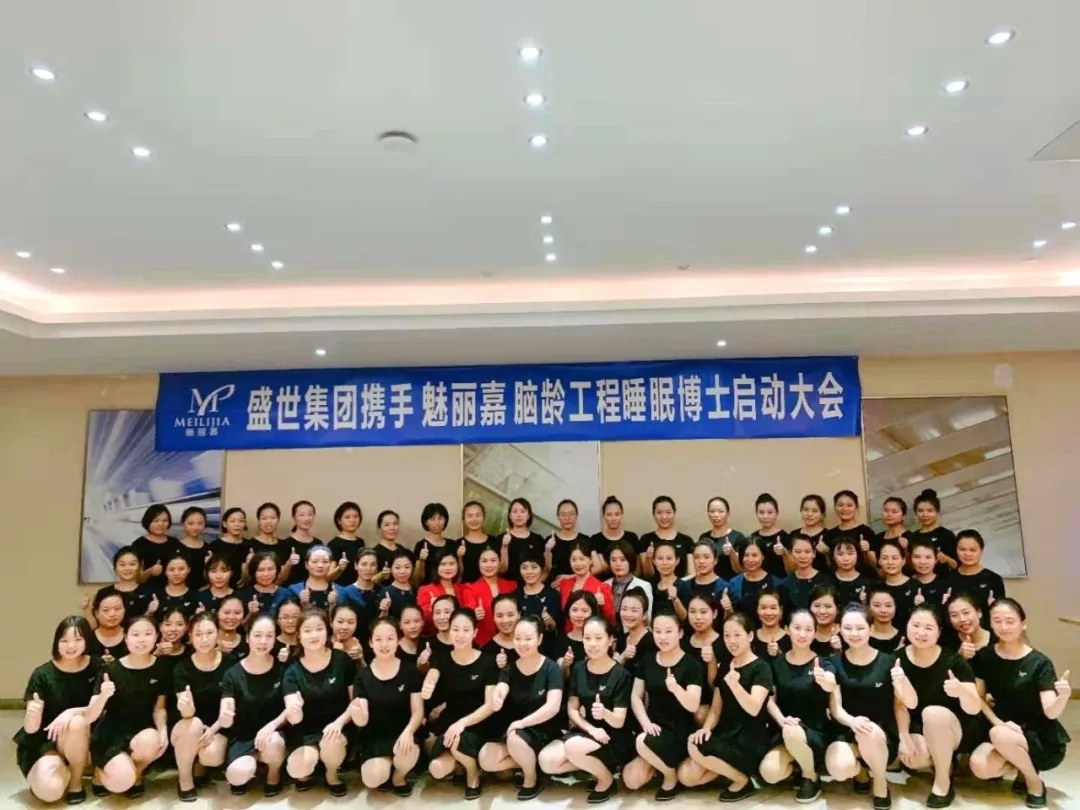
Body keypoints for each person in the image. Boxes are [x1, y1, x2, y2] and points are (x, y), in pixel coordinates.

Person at [969, 598, 1071, 808]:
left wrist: (1062, 697)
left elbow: (1050, 712)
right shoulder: (985, 657)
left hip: (1037, 735)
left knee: (1000, 735)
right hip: (1001, 727)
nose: (1004, 627)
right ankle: (1023, 770)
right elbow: (979, 698)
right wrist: (998, 722)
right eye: (997, 621)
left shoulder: (1039, 662)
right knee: (979, 765)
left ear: (1023, 624)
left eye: (1010, 621)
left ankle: (1034, 782)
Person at [537, 615, 634, 803]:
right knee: (547, 761)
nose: (592, 643)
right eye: (587, 638)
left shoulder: (621, 675)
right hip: (587, 732)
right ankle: (595, 768)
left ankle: (606, 780)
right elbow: (572, 709)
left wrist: (604, 713)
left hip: (613, 736)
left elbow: (619, 720)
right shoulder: (578, 668)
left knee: (573, 747)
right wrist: (591, 729)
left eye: (598, 638)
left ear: (610, 640)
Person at [894, 604, 983, 808]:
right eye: (915, 625)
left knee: (933, 713)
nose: (921, 633)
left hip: (955, 727)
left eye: (928, 628)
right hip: (919, 727)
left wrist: (961, 691)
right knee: (913, 759)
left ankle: (942, 781)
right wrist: (904, 737)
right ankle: (944, 761)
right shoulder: (897, 660)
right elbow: (899, 705)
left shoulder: (954, 661)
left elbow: (974, 708)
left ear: (939, 631)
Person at [680, 613, 773, 802]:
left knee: (696, 747)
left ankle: (742, 781)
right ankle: (729, 773)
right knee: (686, 776)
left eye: (737, 635)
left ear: (750, 636)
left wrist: (735, 686)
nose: (732, 641)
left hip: (749, 739)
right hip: (726, 734)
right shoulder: (725, 667)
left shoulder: (761, 667)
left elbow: (754, 708)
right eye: (727, 635)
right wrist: (706, 729)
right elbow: (715, 709)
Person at [819, 603, 900, 810]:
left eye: (860, 628)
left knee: (868, 730)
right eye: (848, 628)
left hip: (880, 733)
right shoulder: (833, 662)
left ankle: (880, 781)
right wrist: (851, 721)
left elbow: (900, 704)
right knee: (839, 768)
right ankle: (862, 772)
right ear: (839, 629)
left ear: (871, 629)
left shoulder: (888, 661)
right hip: (847, 729)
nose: (854, 634)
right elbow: (835, 708)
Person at [622, 611, 705, 801]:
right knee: (631, 780)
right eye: (658, 631)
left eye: (668, 631)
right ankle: (662, 767)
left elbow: (693, 705)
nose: (663, 637)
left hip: (680, 730)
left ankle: (670, 777)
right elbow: (636, 696)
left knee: (642, 742)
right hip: (655, 728)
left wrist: (676, 688)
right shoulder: (648, 660)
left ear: (680, 633)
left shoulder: (692, 664)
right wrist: (645, 723)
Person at [479, 616, 565, 800]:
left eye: (528, 639)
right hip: (517, 734)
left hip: (543, 731)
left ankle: (531, 778)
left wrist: (522, 723)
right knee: (486, 759)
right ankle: (531, 764)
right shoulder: (509, 669)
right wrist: (497, 698)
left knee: (515, 739)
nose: (522, 643)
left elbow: (553, 707)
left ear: (539, 639)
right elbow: (501, 688)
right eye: (517, 638)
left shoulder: (550, 668)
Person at [15, 616, 99, 805]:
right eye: (64, 640)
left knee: (77, 722)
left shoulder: (97, 667)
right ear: (56, 642)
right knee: (50, 792)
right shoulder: (42, 674)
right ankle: (59, 768)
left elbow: (101, 707)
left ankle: (76, 782)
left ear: (87, 640)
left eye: (77, 639)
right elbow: (31, 729)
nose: (71, 646)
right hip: (46, 739)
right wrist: (33, 715)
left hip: (82, 736)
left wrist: (70, 712)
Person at [86, 615, 169, 797]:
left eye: (148, 634)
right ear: (126, 637)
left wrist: (163, 730)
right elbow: (91, 716)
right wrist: (103, 696)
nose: (141, 640)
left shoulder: (161, 668)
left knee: (153, 739)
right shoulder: (111, 670)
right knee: (120, 783)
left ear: (156, 637)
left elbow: (159, 708)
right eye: (135, 634)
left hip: (142, 730)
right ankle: (99, 773)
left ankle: (136, 774)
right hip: (111, 733)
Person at [422, 608, 499, 799]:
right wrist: (428, 684)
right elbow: (432, 675)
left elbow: (490, 705)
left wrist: (462, 724)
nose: (460, 635)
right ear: (449, 632)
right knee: (437, 769)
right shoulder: (441, 659)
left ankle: (473, 774)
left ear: (474, 632)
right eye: (455, 629)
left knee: (457, 741)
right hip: (450, 721)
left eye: (466, 630)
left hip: (478, 723)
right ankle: (462, 763)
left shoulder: (487, 662)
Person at [758, 609, 831, 804]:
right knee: (770, 773)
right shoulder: (776, 664)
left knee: (792, 732)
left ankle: (810, 776)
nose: (802, 634)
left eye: (808, 629)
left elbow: (831, 684)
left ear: (815, 633)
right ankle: (800, 765)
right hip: (785, 729)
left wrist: (825, 680)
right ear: (786, 630)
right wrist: (782, 720)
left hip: (815, 732)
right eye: (797, 628)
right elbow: (770, 700)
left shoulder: (823, 663)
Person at [282, 607, 354, 796]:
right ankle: (312, 765)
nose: (314, 635)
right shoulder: (292, 669)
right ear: (299, 635)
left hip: (337, 728)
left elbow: (354, 701)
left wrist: (339, 723)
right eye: (307, 630)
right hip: (306, 731)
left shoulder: (342, 660)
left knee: (332, 742)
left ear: (327, 631)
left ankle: (332, 774)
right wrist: (295, 710)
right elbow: (293, 713)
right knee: (298, 770)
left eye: (319, 629)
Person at [351, 617, 424, 795]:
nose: (384, 644)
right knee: (373, 779)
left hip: (404, 733)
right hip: (375, 736)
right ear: (370, 642)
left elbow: (418, 711)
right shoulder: (363, 676)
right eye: (378, 639)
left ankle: (399, 777)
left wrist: (408, 732)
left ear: (398, 640)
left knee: (406, 753)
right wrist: (358, 714)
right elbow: (362, 717)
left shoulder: (410, 671)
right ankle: (387, 765)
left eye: (390, 638)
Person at [219, 613, 287, 797]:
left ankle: (273, 774)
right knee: (237, 776)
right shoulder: (232, 673)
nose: (263, 641)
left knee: (274, 742)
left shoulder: (283, 669)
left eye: (269, 636)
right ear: (248, 638)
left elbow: (288, 709)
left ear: (275, 638)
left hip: (273, 733)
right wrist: (225, 717)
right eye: (257, 635)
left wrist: (271, 727)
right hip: (243, 736)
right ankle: (254, 760)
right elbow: (226, 707)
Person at [170, 612, 236, 801]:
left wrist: (213, 729)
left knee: (212, 755)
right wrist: (186, 706)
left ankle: (200, 766)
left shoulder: (231, 664)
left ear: (218, 634)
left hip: (220, 726)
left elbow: (232, 707)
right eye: (198, 634)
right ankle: (185, 780)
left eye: (209, 633)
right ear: (190, 637)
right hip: (188, 726)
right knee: (193, 723)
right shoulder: (182, 668)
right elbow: (187, 713)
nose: (204, 639)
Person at [82, 547, 152, 627]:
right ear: (115, 568)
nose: (127, 568)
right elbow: (94, 627)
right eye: (122, 565)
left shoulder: (149, 592)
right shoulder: (104, 593)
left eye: (132, 564)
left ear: (140, 567)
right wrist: (86, 609)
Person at [464, 547, 517, 647]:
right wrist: (473, 615)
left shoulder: (511, 586)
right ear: (478, 564)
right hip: (483, 644)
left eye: (493, 560)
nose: (489, 565)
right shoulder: (470, 589)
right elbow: (467, 617)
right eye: (484, 561)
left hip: (511, 642)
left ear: (499, 562)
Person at [948, 529, 1005, 618]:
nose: (967, 554)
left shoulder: (994, 579)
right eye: (962, 549)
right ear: (956, 550)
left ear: (981, 551)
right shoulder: (947, 577)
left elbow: (1000, 613)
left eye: (973, 550)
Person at [557, 542, 615, 628]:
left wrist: (603, 605)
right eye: (573, 559)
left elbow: (611, 620)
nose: (578, 564)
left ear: (590, 560)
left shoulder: (601, 587)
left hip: (591, 633)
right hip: (568, 633)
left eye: (582, 559)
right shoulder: (564, 584)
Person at [683, 593, 721, 721]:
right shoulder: (682, 643)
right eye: (692, 612)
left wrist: (711, 661)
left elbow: (717, 688)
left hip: (712, 706)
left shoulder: (723, 643)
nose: (698, 617)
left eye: (703, 612)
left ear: (714, 613)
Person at [639, 496, 695, 579]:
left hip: (680, 586)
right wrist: (648, 559)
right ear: (653, 514)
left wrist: (677, 584)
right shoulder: (646, 539)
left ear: (674, 513)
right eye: (659, 513)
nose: (664, 517)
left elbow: (692, 574)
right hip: (654, 586)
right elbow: (648, 575)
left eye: (668, 512)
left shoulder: (686, 540)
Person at [516, 554, 562, 654]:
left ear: (541, 569)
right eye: (524, 568)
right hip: (522, 648)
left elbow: (557, 626)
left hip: (547, 649)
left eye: (534, 567)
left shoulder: (552, 594)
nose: (529, 571)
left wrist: (550, 622)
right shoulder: (515, 596)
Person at [275, 545, 341, 613]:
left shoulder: (340, 591)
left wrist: (333, 605)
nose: (320, 565)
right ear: (306, 564)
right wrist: (304, 604)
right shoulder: (294, 590)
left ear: (330, 564)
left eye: (325, 562)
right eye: (314, 561)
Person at [589, 496, 643, 574]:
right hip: (603, 581)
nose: (613, 518)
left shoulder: (632, 537)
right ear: (604, 516)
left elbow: (637, 570)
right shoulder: (595, 539)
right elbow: (595, 569)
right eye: (609, 515)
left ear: (622, 515)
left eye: (617, 514)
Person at [499, 497, 547, 585]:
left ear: (528, 515)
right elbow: (500, 570)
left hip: (531, 588)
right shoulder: (501, 538)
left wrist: (534, 585)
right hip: (507, 587)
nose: (518, 515)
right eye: (515, 511)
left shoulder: (538, 539)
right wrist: (504, 546)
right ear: (509, 515)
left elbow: (545, 569)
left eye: (522, 511)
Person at [908, 489, 958, 575]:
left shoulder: (946, 535)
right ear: (916, 513)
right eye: (920, 511)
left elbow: (957, 565)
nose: (925, 514)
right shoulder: (913, 537)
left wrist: (947, 559)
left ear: (937, 512)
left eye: (930, 511)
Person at [727, 538, 781, 615]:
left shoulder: (776, 583)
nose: (750, 560)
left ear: (763, 556)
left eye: (754, 555)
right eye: (746, 555)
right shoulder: (734, 583)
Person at [778, 536, 832, 613]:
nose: (802, 556)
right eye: (797, 552)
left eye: (807, 552)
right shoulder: (785, 584)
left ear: (814, 553)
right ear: (790, 553)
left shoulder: (826, 581)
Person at [418, 553, 469, 633]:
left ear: (457, 566)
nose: (448, 568)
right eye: (443, 564)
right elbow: (422, 621)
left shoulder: (464, 589)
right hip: (435, 635)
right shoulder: (426, 590)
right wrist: (431, 610)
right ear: (436, 567)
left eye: (451, 564)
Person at [826, 490, 875, 571]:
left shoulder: (866, 531)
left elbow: (874, 565)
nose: (845, 509)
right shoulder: (830, 534)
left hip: (863, 576)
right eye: (840, 505)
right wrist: (827, 553)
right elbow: (829, 566)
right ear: (835, 508)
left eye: (849, 505)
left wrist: (867, 552)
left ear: (856, 507)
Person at [544, 498, 591, 581]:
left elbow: (592, 567)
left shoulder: (585, 540)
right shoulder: (549, 540)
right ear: (558, 517)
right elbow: (544, 571)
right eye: (563, 514)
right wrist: (547, 551)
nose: (567, 518)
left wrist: (572, 577)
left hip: (580, 585)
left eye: (571, 514)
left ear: (576, 516)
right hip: (555, 586)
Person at [603, 540, 653, 620]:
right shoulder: (604, 585)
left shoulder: (644, 586)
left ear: (631, 561)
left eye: (623, 560)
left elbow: (647, 618)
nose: (618, 564)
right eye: (613, 560)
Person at [336, 548, 380, 636]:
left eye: (373, 564)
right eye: (364, 564)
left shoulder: (382, 591)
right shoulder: (346, 592)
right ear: (356, 565)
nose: (368, 569)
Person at [700, 496, 746, 581]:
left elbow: (741, 570)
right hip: (709, 583)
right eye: (712, 511)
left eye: (720, 511)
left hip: (730, 584)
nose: (716, 515)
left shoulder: (738, 537)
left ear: (728, 513)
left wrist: (731, 553)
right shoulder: (704, 537)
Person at [613, 587, 655, 678]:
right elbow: (612, 673)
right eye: (624, 609)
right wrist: (623, 657)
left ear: (644, 615)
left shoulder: (651, 641)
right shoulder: (622, 637)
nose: (628, 614)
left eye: (634, 610)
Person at [132, 504, 176, 590]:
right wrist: (150, 571)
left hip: (172, 591)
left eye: (165, 520)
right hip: (147, 592)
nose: (161, 524)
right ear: (148, 522)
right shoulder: (139, 544)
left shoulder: (174, 543)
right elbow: (136, 578)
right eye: (156, 521)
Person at [554, 592, 597, 678]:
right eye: (574, 610)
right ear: (568, 612)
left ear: (592, 612)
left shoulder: (597, 641)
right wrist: (565, 664)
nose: (579, 615)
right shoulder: (561, 640)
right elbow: (561, 677)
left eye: (584, 611)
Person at [414, 502, 458, 585]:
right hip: (428, 589)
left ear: (445, 520)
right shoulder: (421, 545)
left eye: (440, 518)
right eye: (432, 519)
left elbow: (458, 572)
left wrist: (460, 557)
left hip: (448, 588)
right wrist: (421, 560)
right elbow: (417, 579)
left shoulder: (452, 544)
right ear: (426, 522)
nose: (437, 522)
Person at [457, 501, 500, 583]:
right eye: (470, 516)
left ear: (484, 517)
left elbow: (501, 570)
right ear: (463, 519)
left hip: (490, 587)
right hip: (467, 588)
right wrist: (459, 557)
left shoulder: (494, 541)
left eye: (478, 515)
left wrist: (505, 547)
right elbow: (457, 574)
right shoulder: (458, 544)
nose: (474, 519)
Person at [878, 539, 917, 631]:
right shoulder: (877, 588)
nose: (890, 562)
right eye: (885, 558)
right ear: (879, 561)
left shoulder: (916, 586)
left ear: (903, 560)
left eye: (894, 558)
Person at [750, 493, 790, 580]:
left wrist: (784, 553)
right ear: (756, 513)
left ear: (777, 513)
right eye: (761, 512)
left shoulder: (785, 537)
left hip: (780, 584)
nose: (765, 516)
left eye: (770, 512)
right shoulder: (753, 538)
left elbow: (792, 569)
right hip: (757, 583)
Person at [326, 501, 366, 587]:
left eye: (355, 516)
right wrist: (339, 568)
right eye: (347, 517)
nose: (352, 520)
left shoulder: (361, 542)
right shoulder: (334, 544)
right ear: (339, 521)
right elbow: (328, 577)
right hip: (341, 589)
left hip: (358, 588)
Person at [282, 500, 320, 586]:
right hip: (292, 589)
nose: (306, 518)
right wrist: (289, 563)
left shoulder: (318, 543)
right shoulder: (285, 544)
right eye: (301, 515)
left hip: (314, 588)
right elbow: (280, 577)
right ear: (294, 518)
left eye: (310, 514)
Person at [651, 541, 692, 621]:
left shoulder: (684, 586)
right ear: (654, 561)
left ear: (677, 561)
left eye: (669, 558)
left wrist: (675, 599)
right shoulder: (651, 587)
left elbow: (686, 618)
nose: (664, 563)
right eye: (660, 558)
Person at [788, 495, 830, 573]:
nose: (809, 514)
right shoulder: (793, 534)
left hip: (823, 578)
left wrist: (827, 552)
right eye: (806, 509)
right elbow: (789, 565)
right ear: (801, 511)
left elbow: (834, 567)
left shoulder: (829, 535)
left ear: (822, 514)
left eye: (814, 511)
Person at [944, 593, 991, 660]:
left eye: (966, 612)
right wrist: (960, 657)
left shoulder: (997, 640)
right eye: (954, 615)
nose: (962, 619)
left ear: (979, 612)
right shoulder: (946, 644)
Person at [85, 589, 128, 662]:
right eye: (106, 610)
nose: (112, 614)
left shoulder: (132, 637)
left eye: (117, 609)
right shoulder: (86, 639)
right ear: (96, 613)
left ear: (124, 610)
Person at [831, 538, 875, 607]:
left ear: (858, 555)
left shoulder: (869, 583)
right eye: (840, 554)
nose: (846, 558)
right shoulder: (826, 581)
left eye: (850, 553)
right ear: (833, 556)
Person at [152, 553, 196, 621]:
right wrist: (150, 612)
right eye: (171, 569)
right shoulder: (155, 595)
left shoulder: (196, 596)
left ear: (189, 570)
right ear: (165, 571)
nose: (176, 573)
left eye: (181, 569)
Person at [215, 507, 252, 587]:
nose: (237, 524)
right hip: (221, 587)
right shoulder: (215, 545)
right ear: (224, 524)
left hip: (244, 588)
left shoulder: (249, 545)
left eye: (241, 521)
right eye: (232, 521)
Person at [375, 549, 417, 619]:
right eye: (397, 567)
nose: (402, 571)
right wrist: (384, 611)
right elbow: (380, 621)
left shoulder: (416, 590)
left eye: (407, 567)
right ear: (391, 568)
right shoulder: (386, 592)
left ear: (413, 567)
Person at [249, 502, 289, 575]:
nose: (268, 521)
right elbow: (245, 578)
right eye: (264, 518)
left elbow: (283, 575)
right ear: (258, 521)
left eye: (273, 518)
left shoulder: (285, 546)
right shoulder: (249, 545)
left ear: (278, 520)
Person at [909, 539, 951, 609]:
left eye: (928, 557)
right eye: (917, 557)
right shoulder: (906, 583)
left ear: (936, 559)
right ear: (910, 559)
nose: (922, 562)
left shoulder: (944, 584)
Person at [238, 551, 282, 616]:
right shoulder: (242, 595)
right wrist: (251, 614)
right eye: (260, 570)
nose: (266, 574)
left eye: (270, 569)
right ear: (253, 571)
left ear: (277, 570)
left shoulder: (286, 594)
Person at [175, 508, 209, 590]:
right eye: (191, 523)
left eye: (200, 523)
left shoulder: (209, 548)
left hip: (204, 591)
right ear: (183, 524)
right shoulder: (175, 547)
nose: (195, 527)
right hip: (180, 592)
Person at [484, 595, 521, 669]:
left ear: (519, 614)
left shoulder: (531, 644)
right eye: (499, 616)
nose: (505, 620)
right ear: (493, 617)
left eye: (510, 615)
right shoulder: (486, 651)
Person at [750, 590, 790, 660]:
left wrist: (779, 654)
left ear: (780, 610)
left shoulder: (791, 639)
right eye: (763, 608)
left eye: (773, 608)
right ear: (757, 610)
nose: (768, 613)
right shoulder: (750, 638)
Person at [866, 584, 905, 652]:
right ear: (868, 607)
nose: (883, 610)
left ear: (895, 606)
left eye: (888, 605)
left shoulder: (903, 637)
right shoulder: (863, 637)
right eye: (877, 605)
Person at [809, 585, 843, 658]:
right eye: (817, 605)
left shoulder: (846, 634)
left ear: (837, 609)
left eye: (828, 606)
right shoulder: (802, 634)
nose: (822, 611)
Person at [874, 496, 910, 564]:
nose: (889, 514)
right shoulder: (877, 538)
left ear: (903, 516)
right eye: (886, 511)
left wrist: (905, 549)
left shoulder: (910, 538)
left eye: (894, 512)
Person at [272, 597, 301, 663]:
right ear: (277, 620)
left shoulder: (306, 644)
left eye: (295, 617)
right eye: (285, 617)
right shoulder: (271, 645)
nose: (290, 621)